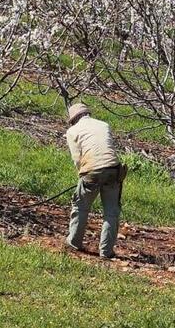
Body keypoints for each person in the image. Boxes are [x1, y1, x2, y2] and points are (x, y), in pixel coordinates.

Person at [64, 102, 125, 259]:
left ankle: (74, 243)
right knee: (111, 213)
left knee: (80, 207)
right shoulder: (104, 125)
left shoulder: (72, 131)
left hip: (91, 171)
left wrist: (83, 177)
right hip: (113, 169)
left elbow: (77, 159)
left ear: (73, 119)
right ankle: (106, 252)